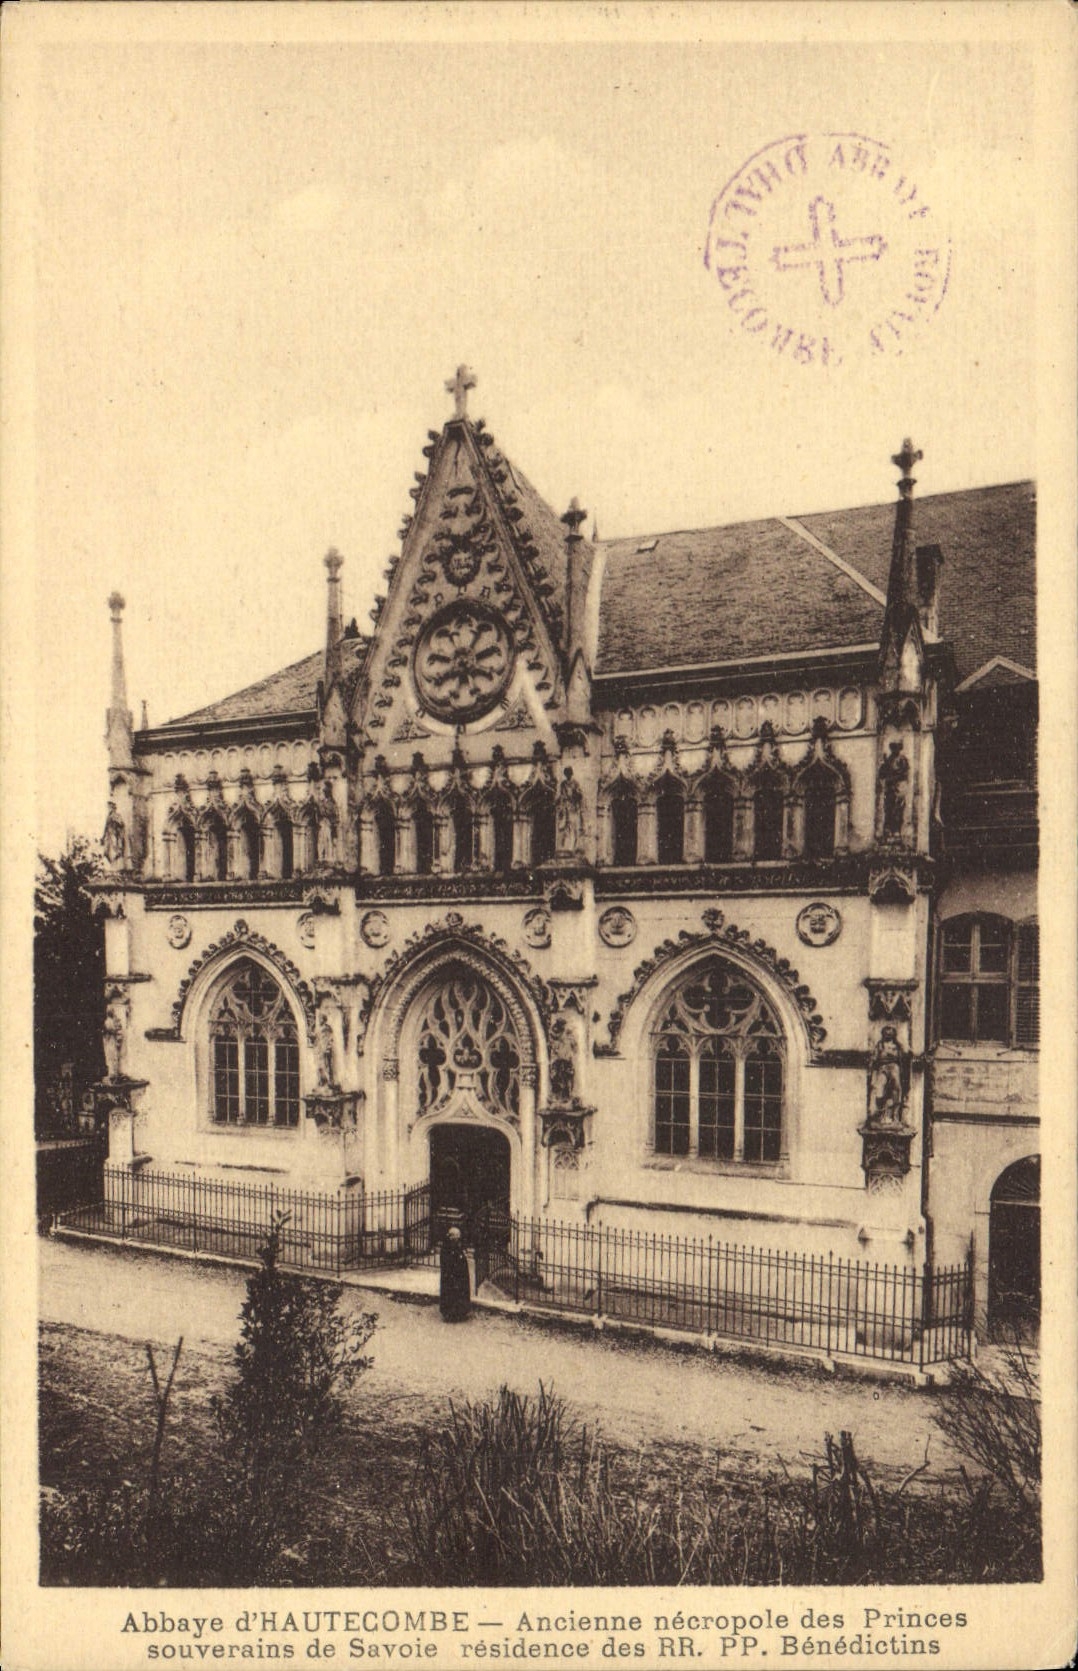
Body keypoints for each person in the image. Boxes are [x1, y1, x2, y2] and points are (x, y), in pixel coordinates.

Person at [439, 1226, 471, 1322]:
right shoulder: (446, 1247)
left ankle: (460, 1313)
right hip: (451, 1275)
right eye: (457, 1235)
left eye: (459, 1235)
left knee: (459, 1293)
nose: (458, 1237)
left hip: (459, 1275)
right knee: (450, 1294)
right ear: (452, 1236)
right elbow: (447, 1261)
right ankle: (450, 1314)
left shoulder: (457, 1244)